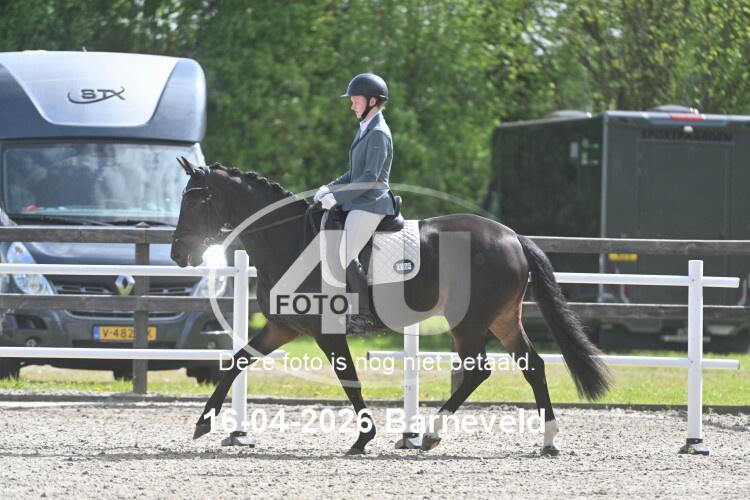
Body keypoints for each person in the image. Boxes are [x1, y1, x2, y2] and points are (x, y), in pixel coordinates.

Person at [314, 73, 395, 334]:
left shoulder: (378, 133)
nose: (352, 106)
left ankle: (362, 315)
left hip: (371, 204)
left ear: (372, 101)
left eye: (355, 101)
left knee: (344, 252)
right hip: (358, 201)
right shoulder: (366, 129)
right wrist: (330, 187)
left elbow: (370, 178)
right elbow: (354, 173)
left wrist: (336, 198)